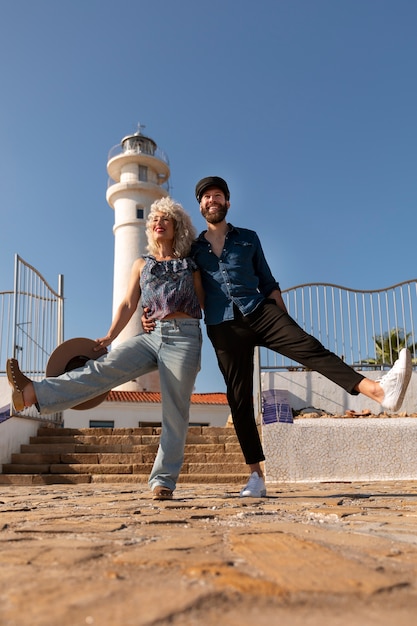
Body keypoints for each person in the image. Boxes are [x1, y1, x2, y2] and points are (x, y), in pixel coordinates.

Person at [147, 175, 413, 499]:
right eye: (206, 197)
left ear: (227, 202)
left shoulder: (248, 239)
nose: (211, 200)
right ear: (200, 205)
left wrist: (284, 321)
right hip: (222, 325)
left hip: (259, 311)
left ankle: (378, 390)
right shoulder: (193, 249)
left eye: (218, 195)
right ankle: (256, 476)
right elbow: (172, 279)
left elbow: (268, 281)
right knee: (239, 399)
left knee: (311, 349)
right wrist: (152, 313)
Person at [7, 197, 204, 501]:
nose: (158, 223)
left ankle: (163, 480)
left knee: (175, 411)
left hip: (185, 337)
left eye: (166, 218)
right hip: (151, 336)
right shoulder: (142, 263)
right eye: (154, 219)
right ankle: (32, 393)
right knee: (103, 369)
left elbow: (204, 303)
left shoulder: (192, 263)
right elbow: (128, 302)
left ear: (177, 226)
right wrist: (111, 336)